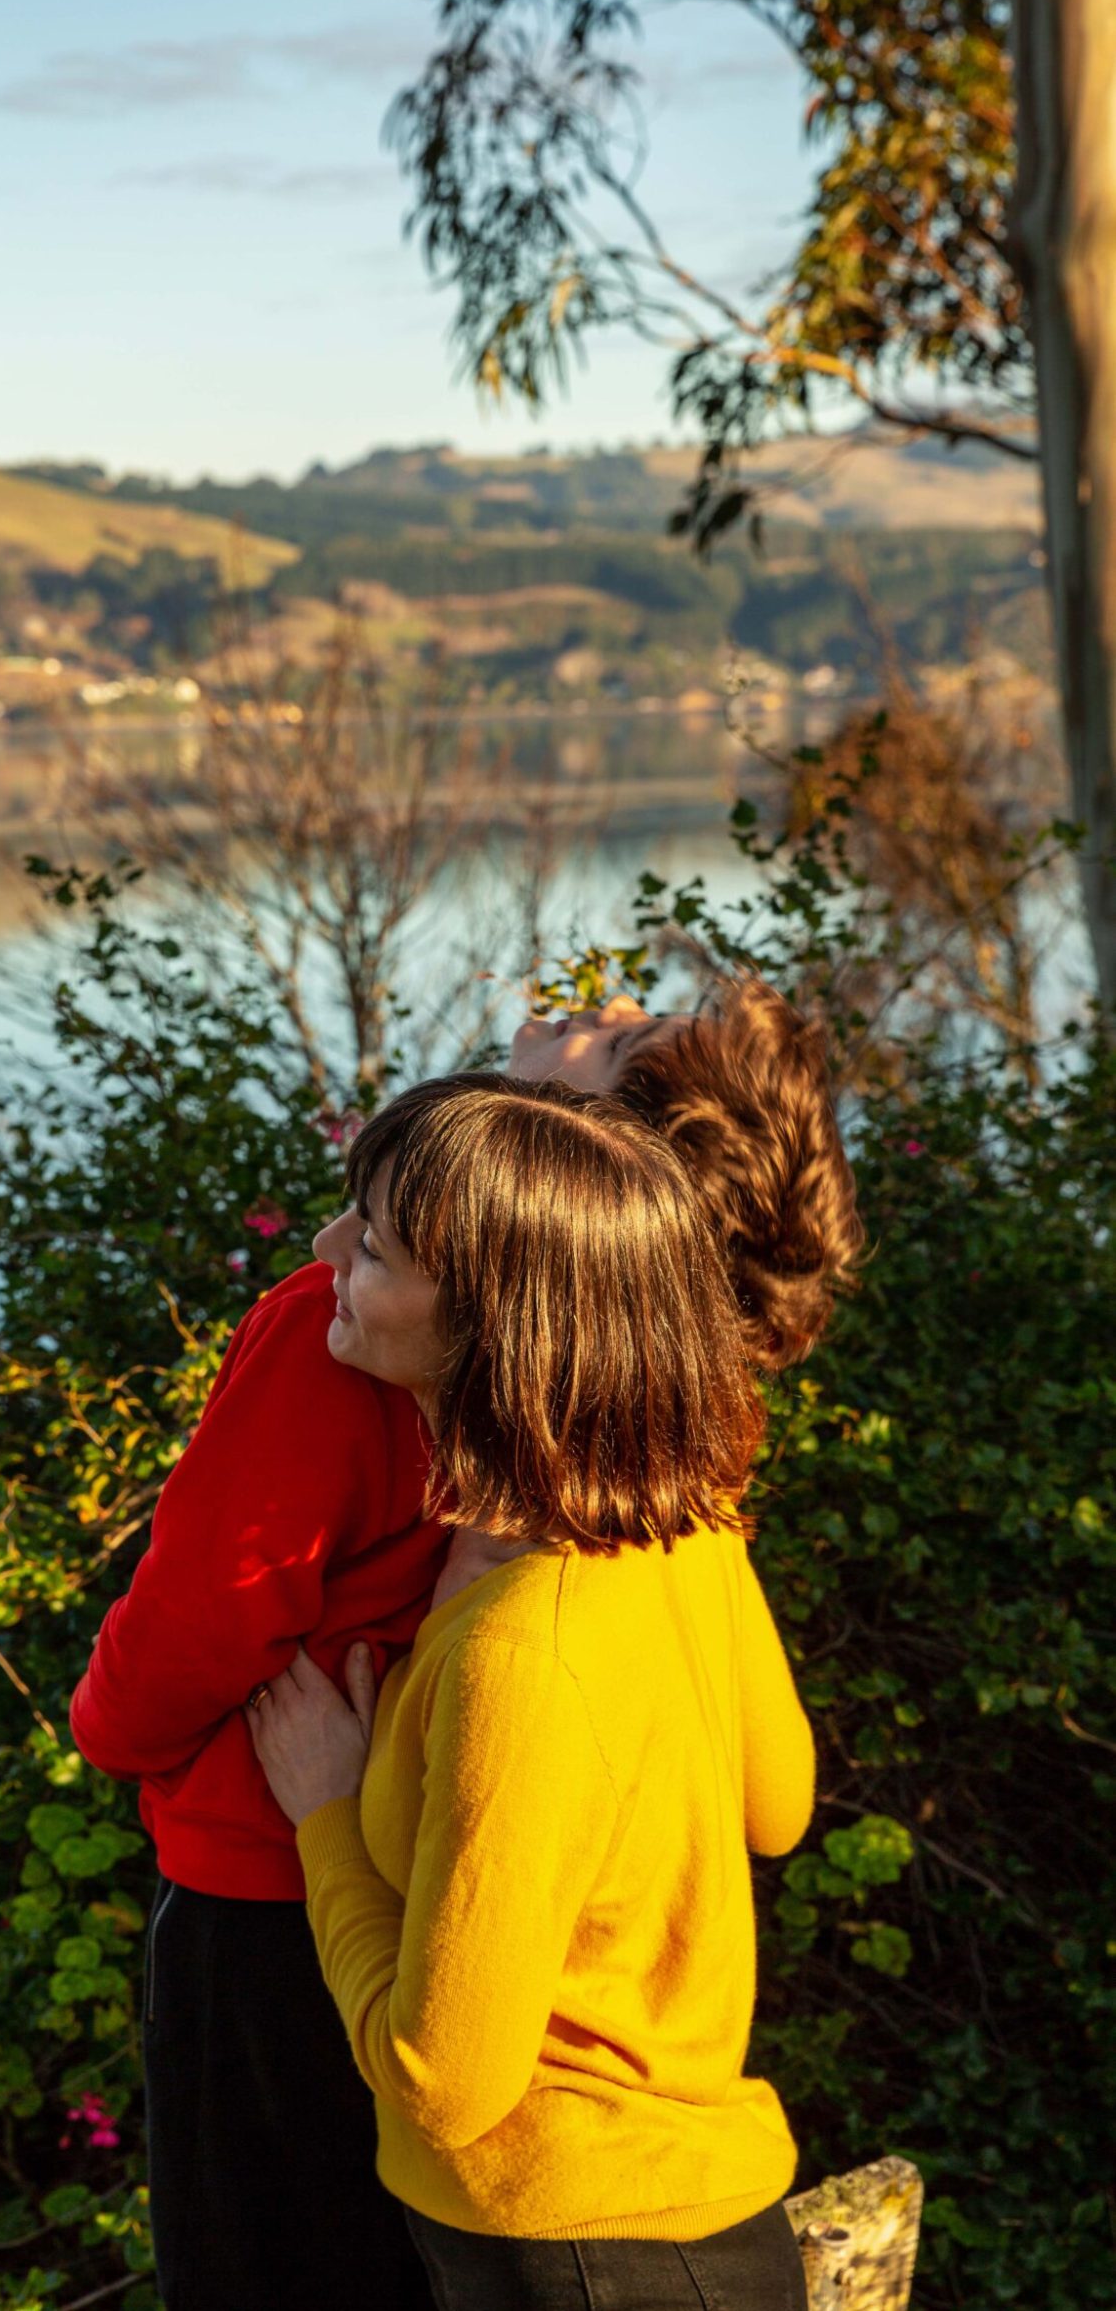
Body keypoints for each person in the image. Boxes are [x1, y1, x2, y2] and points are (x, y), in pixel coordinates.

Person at [69, 977, 859, 2311]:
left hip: (301, 1909)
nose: (334, 1253)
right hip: (643, 2126)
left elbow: (203, 1611)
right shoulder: (672, 1458)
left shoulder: (344, 1358)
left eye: (615, 1040)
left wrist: (136, 1745)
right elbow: (767, 1799)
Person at [246, 1074, 815, 2309]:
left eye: (377, 1243)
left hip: (574, 2253)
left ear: (492, 1326)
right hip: (705, 2221)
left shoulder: (520, 1649)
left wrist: (328, 1819)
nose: (326, 1246)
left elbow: (443, 2085)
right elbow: (775, 1804)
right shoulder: (685, 1524)